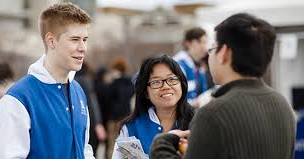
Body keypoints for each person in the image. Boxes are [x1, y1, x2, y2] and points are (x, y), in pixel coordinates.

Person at [150, 13, 296, 159]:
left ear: (224, 53)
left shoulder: (212, 114)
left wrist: (161, 144)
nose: (208, 55)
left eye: (212, 48)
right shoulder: (283, 105)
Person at [0, 3, 94, 159]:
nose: (83, 48)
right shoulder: (18, 98)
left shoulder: (78, 91)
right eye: (75, 39)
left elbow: (84, 147)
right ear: (51, 41)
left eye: (85, 39)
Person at [112, 55, 194, 158]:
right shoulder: (131, 129)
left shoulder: (199, 122)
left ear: (181, 84)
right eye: (156, 82)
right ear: (146, 92)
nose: (166, 86)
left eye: (172, 79)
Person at [74, 62, 107, 156]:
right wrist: (98, 123)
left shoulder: (71, 81)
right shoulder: (85, 81)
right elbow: (92, 103)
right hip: (90, 121)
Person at [173, 27, 210, 107]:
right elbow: (173, 100)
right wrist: (195, 103)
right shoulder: (178, 65)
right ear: (188, 43)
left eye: (205, 43)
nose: (204, 47)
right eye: (200, 42)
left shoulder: (199, 66)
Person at [106, 57, 135, 159]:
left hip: (113, 117)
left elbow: (109, 96)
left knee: (112, 144)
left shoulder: (114, 83)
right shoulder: (130, 83)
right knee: (125, 143)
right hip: (126, 115)